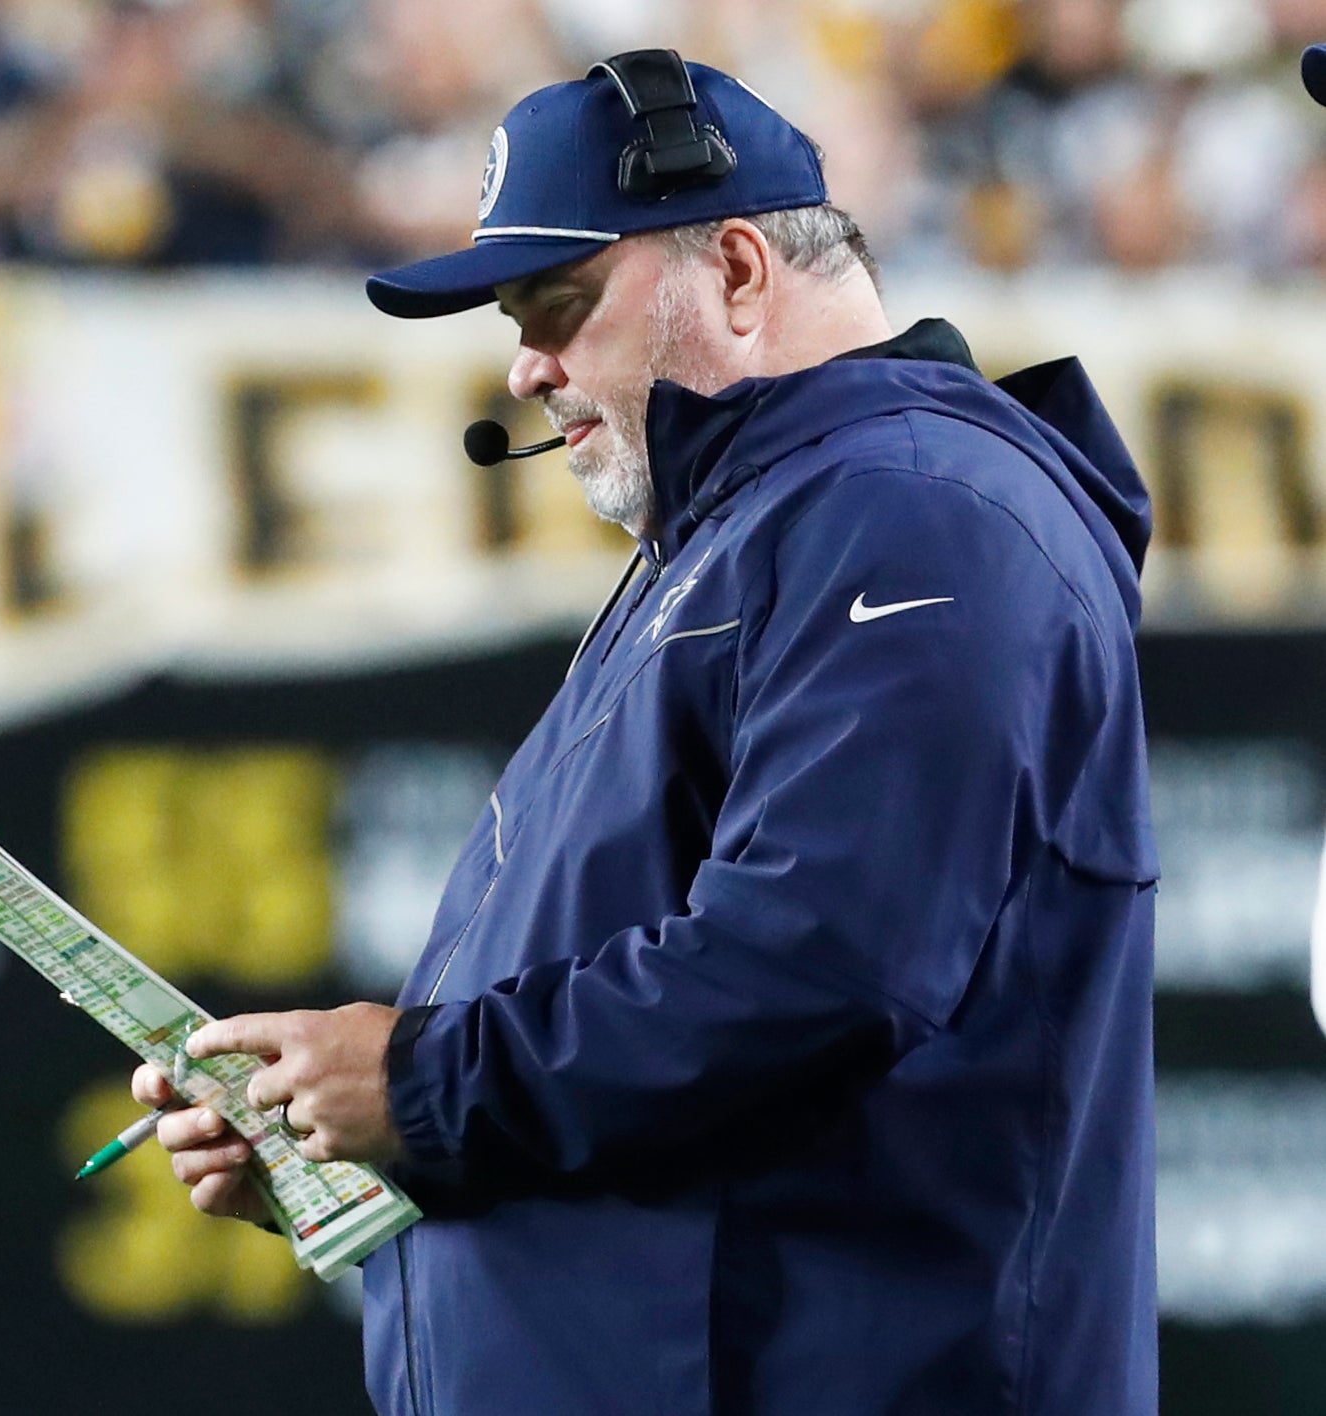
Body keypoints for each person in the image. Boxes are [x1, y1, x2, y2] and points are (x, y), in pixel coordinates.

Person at [132, 49, 1158, 1416]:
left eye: (558, 303)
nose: (525, 364)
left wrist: (421, 1086)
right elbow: (671, 1096)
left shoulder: (913, 505)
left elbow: (819, 972)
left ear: (737, 270)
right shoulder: (762, 523)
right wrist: (364, 1143)